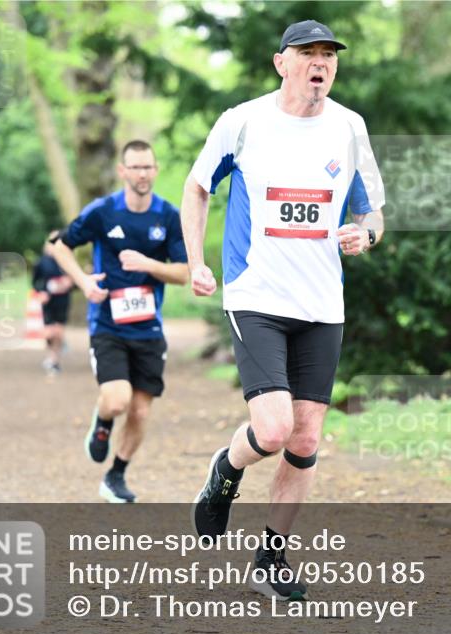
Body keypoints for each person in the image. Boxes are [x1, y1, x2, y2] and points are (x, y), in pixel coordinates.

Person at [181, 20, 385, 601]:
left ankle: (271, 556)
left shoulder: (350, 128)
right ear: (281, 64)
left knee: (305, 438)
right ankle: (226, 466)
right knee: (272, 430)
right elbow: (197, 188)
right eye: (308, 54)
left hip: (323, 303)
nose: (320, 64)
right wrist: (197, 260)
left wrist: (365, 236)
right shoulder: (242, 121)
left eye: (328, 56)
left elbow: (373, 212)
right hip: (257, 297)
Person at [50, 140, 189, 503]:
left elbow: (183, 272)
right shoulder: (103, 211)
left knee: (141, 412)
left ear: (155, 171)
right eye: (135, 167)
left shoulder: (168, 216)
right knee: (117, 400)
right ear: (122, 171)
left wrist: (149, 265)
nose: (142, 174)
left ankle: (115, 476)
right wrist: (83, 282)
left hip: (148, 329)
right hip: (108, 325)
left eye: (148, 167)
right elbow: (59, 245)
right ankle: (102, 422)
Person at [32, 235, 74, 374]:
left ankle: (54, 360)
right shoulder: (42, 262)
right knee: (50, 332)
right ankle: (54, 350)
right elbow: (35, 282)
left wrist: (69, 282)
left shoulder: (68, 261)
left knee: (59, 330)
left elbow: (76, 279)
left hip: (63, 300)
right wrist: (41, 292)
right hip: (48, 301)